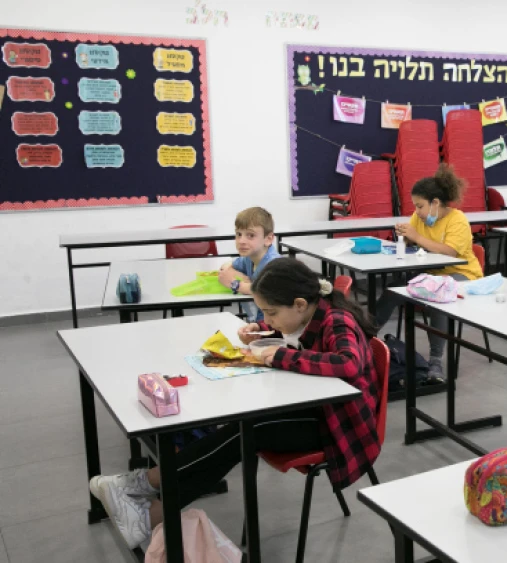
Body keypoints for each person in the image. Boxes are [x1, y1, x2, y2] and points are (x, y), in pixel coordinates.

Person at [89, 258, 381, 548]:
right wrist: (264, 330)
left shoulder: (337, 321)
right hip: (318, 408)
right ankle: (147, 499)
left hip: (340, 425)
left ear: (301, 304)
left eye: (271, 312)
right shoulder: (309, 314)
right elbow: (295, 332)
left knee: (247, 431)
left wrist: (281, 356)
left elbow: (348, 364)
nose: (270, 319)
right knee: (242, 429)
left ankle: (146, 490)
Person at [373, 164, 483, 380]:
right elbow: (413, 240)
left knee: (437, 295)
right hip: (430, 273)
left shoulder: (457, 219)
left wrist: (417, 236)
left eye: (420, 206)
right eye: (415, 207)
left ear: (435, 203)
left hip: (462, 275)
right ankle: (364, 336)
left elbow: (450, 252)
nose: (417, 212)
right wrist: (404, 235)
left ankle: (435, 361)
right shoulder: (420, 217)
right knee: (393, 289)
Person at [217, 206, 280, 323]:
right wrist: (238, 275)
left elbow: (265, 291)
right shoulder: (249, 257)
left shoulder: (274, 265)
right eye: (239, 234)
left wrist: (234, 284)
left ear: (268, 239)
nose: (241, 241)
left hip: (273, 324)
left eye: (250, 235)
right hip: (258, 321)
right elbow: (227, 266)